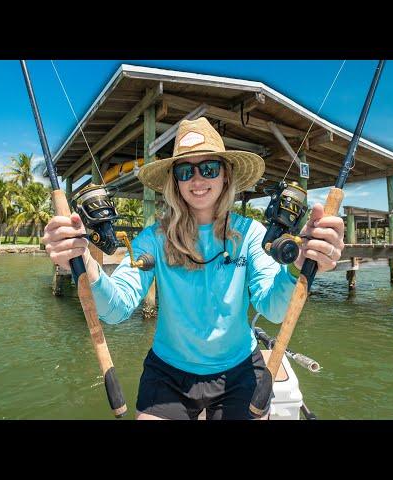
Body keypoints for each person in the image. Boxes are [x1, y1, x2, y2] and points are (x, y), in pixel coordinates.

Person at [42, 117, 344, 420]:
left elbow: (275, 308)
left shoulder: (251, 234)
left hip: (239, 369)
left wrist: (300, 266)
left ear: (225, 176)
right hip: (168, 372)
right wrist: (85, 263)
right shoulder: (153, 239)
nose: (197, 180)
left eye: (209, 168)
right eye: (185, 171)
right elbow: (116, 308)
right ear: (175, 181)